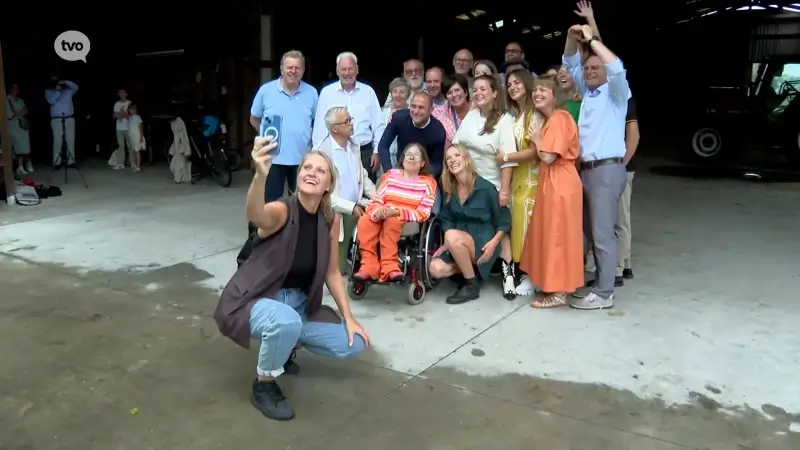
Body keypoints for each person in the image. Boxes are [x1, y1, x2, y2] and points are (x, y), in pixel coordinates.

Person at [215, 138, 371, 422]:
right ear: (298, 176)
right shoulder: (283, 210)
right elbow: (256, 214)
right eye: (306, 168)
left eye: (320, 170)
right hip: (258, 301)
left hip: (299, 306)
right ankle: (264, 385)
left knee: (353, 343)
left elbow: (332, 272)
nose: (311, 172)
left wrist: (349, 317)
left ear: (328, 184)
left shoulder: (330, 218)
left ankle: (284, 347)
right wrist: (261, 175)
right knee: (285, 321)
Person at [563, 24, 630, 310]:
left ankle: (604, 294)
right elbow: (568, 61)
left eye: (595, 68)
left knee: (602, 233)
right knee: (587, 232)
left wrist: (592, 40)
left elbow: (616, 66)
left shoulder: (615, 93)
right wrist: (571, 36)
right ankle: (593, 281)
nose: (589, 71)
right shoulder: (588, 92)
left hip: (605, 169)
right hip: (587, 169)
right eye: (587, 68)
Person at [519, 75, 584, 308]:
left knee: (558, 236)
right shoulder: (554, 119)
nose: (537, 93)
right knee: (554, 234)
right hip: (555, 180)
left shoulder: (559, 118)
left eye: (543, 90)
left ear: (555, 96)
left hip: (560, 182)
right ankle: (554, 286)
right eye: (535, 90)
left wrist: (537, 139)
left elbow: (547, 155)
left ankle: (558, 293)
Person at [452, 75, 517, 299]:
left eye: (483, 89)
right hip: (469, 183)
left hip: (493, 184)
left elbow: (507, 159)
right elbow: (456, 144)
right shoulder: (471, 115)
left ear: (494, 93)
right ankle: (470, 268)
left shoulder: (504, 120)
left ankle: (509, 277)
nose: (478, 93)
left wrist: (505, 191)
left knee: (502, 228)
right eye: (475, 89)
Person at [428, 144, 511, 305]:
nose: (452, 160)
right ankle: (473, 273)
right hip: (459, 240)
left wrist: (493, 244)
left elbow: (504, 220)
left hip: (483, 241)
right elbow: (447, 218)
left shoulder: (485, 188)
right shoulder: (451, 189)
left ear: (466, 160)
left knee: (452, 236)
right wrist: (448, 244)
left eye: (457, 156)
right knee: (435, 268)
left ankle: (471, 285)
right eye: (448, 159)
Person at [353, 143, 437, 282]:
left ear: (422, 163)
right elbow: (377, 198)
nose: (411, 157)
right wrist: (377, 211)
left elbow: (423, 212)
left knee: (392, 222)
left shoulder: (428, 183)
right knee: (365, 221)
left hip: (405, 219)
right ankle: (368, 266)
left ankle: (390, 267)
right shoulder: (390, 175)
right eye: (408, 154)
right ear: (402, 159)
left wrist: (396, 212)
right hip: (383, 213)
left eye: (416, 155)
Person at [495, 69, 544, 296]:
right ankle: (526, 273)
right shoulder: (517, 114)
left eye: (517, 82)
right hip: (519, 181)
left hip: (532, 179)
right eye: (510, 83)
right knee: (520, 229)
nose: (513, 86)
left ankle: (532, 276)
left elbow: (535, 152)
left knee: (529, 229)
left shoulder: (535, 115)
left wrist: (506, 157)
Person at [249, 50, 319, 202]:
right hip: (272, 159)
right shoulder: (265, 91)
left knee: (302, 203)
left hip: (302, 161)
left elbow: (317, 124)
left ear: (303, 70)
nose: (293, 71)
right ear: (281, 69)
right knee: (270, 203)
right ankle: (268, 227)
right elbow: (254, 118)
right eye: (289, 67)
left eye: (297, 68)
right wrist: (265, 136)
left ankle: (295, 227)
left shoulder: (312, 93)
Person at [316, 106, 376, 274]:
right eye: (347, 121)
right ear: (335, 128)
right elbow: (322, 194)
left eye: (351, 120)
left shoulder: (353, 145)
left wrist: (379, 196)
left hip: (356, 204)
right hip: (337, 211)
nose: (351, 124)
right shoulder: (322, 153)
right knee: (338, 271)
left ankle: (368, 262)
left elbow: (362, 177)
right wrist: (350, 207)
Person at [313, 52, 385, 183]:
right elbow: (320, 127)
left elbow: (378, 125)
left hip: (365, 153)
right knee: (338, 192)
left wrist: (376, 151)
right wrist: (318, 155)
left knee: (367, 192)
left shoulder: (368, 92)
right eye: (343, 69)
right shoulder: (326, 93)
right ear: (337, 71)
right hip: (335, 153)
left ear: (357, 70)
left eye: (350, 69)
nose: (347, 73)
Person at [377, 92, 446, 180]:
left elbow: (436, 163)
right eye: (413, 106)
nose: (416, 111)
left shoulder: (438, 131)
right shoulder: (399, 118)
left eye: (421, 108)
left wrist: (426, 179)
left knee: (435, 194)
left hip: (424, 173)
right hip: (401, 169)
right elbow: (383, 145)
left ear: (431, 110)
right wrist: (389, 171)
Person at [45, 75, 79, 168]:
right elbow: (51, 101)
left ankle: (71, 161)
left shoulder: (68, 91)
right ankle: (57, 162)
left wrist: (65, 81)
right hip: (56, 119)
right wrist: (57, 91)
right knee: (57, 141)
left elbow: (76, 87)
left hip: (69, 118)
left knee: (70, 140)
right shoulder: (48, 91)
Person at [381, 78, 410, 168]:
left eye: (402, 92)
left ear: (408, 95)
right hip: (384, 158)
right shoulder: (382, 113)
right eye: (395, 91)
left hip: (403, 159)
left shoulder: (411, 113)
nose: (398, 95)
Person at [6, 84, 33, 177]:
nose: (17, 89)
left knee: (25, 145)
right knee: (18, 146)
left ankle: (24, 164)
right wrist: (18, 112)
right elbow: (10, 114)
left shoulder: (20, 100)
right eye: (15, 88)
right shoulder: (7, 100)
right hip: (13, 126)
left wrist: (20, 112)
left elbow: (25, 110)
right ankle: (20, 166)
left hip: (22, 125)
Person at [110, 88, 132, 170]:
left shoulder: (129, 103)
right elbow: (114, 116)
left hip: (128, 127)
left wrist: (119, 114)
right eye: (120, 93)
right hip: (119, 128)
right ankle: (120, 163)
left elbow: (129, 114)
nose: (122, 94)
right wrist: (123, 113)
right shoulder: (116, 104)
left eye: (123, 93)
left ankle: (132, 162)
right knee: (121, 146)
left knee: (130, 146)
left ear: (126, 94)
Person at [127, 103, 145, 172]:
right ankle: (134, 166)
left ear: (135, 110)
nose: (131, 110)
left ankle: (138, 167)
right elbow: (129, 128)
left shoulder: (137, 117)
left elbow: (140, 126)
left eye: (133, 109)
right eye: (130, 109)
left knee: (137, 151)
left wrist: (141, 135)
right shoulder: (129, 117)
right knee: (134, 151)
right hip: (131, 136)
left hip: (137, 136)